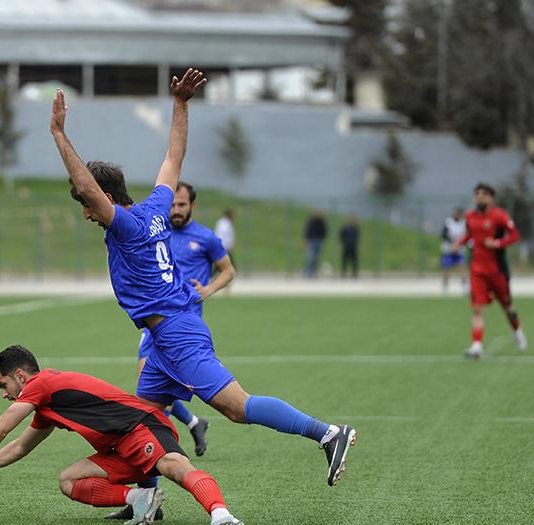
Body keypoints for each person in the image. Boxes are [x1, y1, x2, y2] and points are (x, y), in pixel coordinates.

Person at [50, 68, 356, 488]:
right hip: (162, 339)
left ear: (104, 200)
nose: (86, 213)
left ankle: (326, 433)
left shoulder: (125, 225)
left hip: (177, 332)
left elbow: (86, 186)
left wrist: (59, 135)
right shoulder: (156, 208)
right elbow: (173, 158)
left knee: (236, 406)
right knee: (143, 418)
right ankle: (146, 500)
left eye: (87, 205)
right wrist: (180, 105)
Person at [0, 345, 244, 525]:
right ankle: (141, 499)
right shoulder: (45, 406)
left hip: (140, 427)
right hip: (118, 448)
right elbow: (18, 447)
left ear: (20, 375)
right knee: (69, 480)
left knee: (174, 467)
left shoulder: (41, 384)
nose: (5, 393)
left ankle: (221, 514)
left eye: (3, 384)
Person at [105, 181, 236, 521]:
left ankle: (186, 434)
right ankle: (152, 489)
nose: (176, 210)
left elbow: (228, 271)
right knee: (144, 406)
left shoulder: (205, 237)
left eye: (182, 205)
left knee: (151, 409)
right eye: (173, 204)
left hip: (181, 325)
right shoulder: (156, 226)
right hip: (154, 328)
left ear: (192, 205)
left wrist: (206, 290)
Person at [450, 183, 527, 358]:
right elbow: (470, 235)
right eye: (477, 194)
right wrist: (458, 244)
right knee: (477, 308)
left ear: (491, 197)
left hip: (497, 271)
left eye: (484, 194)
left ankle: (517, 332)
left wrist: (498, 243)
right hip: (477, 270)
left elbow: (515, 235)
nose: (480, 197)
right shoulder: (470, 216)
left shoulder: (500, 216)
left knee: (508, 307)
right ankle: (476, 346)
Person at [440, 207, 467, 293]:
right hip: (448, 249)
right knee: (446, 268)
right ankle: (445, 285)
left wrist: (458, 245)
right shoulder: (448, 222)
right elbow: (443, 234)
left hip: (459, 250)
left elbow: (465, 236)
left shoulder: (463, 223)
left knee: (462, 266)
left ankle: (464, 285)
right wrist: (452, 244)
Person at [304, 210, 327, 278]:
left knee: (317, 258)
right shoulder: (311, 221)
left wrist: (323, 239)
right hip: (312, 241)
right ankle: (308, 273)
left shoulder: (322, 222)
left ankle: (314, 273)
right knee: (311, 257)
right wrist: (306, 239)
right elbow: (308, 230)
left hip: (319, 241)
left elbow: (324, 231)